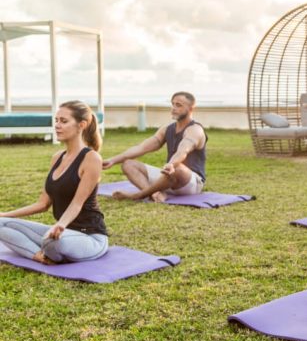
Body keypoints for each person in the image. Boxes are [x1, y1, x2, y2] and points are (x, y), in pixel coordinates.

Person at [0, 101, 108, 264]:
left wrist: (61, 224)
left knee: (52, 241)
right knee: (2, 224)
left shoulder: (91, 158)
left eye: (64, 121)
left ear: (82, 125)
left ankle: (48, 249)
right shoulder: (57, 157)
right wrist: (4, 214)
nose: (57, 125)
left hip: (90, 236)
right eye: (56, 120)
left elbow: (77, 204)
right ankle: (39, 255)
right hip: (62, 232)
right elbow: (43, 204)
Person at [102, 91, 207, 203]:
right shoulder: (167, 129)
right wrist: (112, 160)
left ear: (191, 108)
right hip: (168, 177)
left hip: (189, 182)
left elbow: (183, 150)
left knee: (178, 168)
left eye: (179, 105)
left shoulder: (195, 130)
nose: (173, 108)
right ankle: (155, 193)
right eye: (173, 104)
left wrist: (171, 164)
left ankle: (138, 195)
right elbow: (141, 148)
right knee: (128, 164)